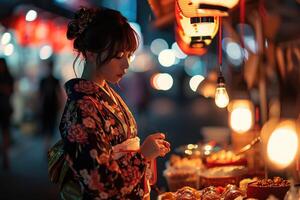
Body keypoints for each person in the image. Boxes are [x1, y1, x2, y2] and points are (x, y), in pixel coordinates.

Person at [54, 7, 171, 200]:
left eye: (128, 56)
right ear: (91, 53)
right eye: (118, 56)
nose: (126, 64)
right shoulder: (82, 107)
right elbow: (97, 182)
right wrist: (142, 156)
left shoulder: (103, 94)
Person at [39, 59, 62, 154]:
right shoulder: (44, 80)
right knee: (47, 127)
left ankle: (48, 148)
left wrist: (60, 104)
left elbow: (58, 93)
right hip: (47, 106)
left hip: (52, 106)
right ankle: (47, 148)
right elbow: (40, 95)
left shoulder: (55, 80)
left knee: (50, 127)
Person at [0, 58, 14, 170]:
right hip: (4, 107)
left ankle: (5, 156)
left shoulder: (8, 77)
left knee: (6, 132)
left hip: (5, 108)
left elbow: (10, 91)